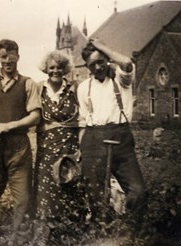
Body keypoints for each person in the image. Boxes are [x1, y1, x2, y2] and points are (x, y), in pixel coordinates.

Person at [0, 39, 41, 244]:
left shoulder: (27, 83)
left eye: (11, 56)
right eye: (3, 57)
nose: (7, 61)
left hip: (18, 150)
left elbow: (35, 116)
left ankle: (19, 241)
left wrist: (8, 125)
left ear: (18, 57)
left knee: (22, 200)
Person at [77, 39, 146, 225]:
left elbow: (126, 63)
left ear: (108, 59)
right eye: (93, 65)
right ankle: (103, 233)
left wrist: (102, 47)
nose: (98, 67)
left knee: (137, 191)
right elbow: (83, 120)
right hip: (93, 142)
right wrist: (81, 149)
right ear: (87, 67)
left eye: (101, 61)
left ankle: (129, 232)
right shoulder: (84, 88)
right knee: (96, 195)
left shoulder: (121, 80)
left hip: (121, 141)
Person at [33, 50, 80, 222]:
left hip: (69, 144)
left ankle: (71, 225)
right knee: (47, 186)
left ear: (64, 69)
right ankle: (48, 227)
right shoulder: (39, 89)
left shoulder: (73, 89)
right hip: (47, 146)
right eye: (51, 67)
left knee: (69, 181)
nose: (55, 71)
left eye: (59, 67)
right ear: (46, 69)